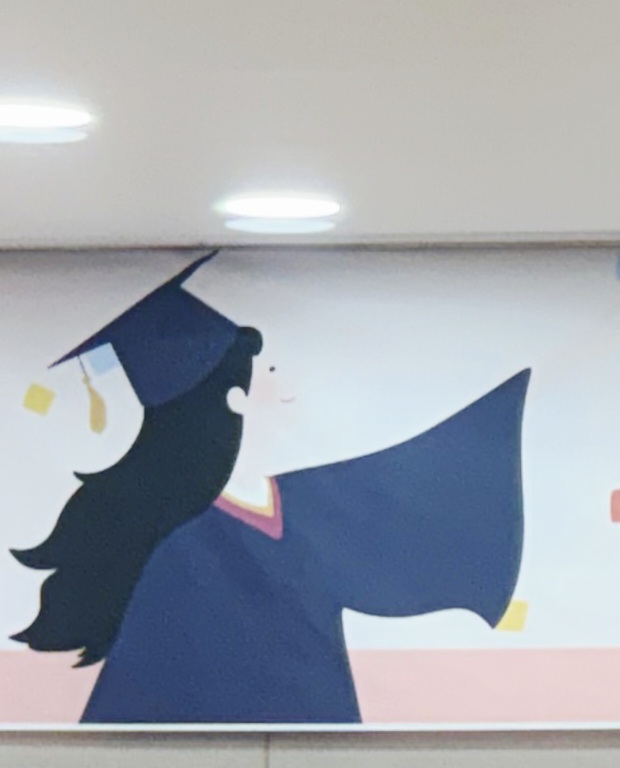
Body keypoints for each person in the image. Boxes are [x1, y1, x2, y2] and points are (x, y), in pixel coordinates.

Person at [13, 255, 529, 722]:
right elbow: (139, 696)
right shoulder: (178, 549)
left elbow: (406, 512)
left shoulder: (302, 503)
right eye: (272, 370)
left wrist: (492, 422)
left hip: (319, 736)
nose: (287, 384)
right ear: (236, 397)